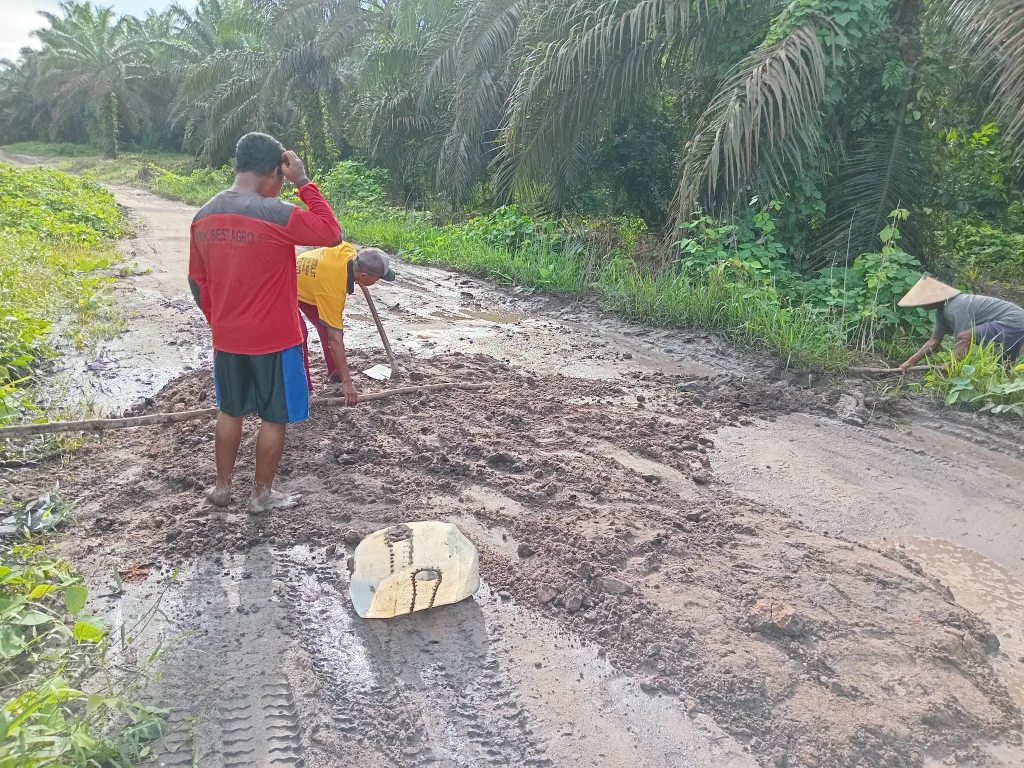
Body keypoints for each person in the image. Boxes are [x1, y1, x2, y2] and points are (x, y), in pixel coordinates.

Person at [188, 132, 341, 511]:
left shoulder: (203, 215)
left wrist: (218, 321)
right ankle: (261, 494)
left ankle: (222, 489)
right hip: (276, 339)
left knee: (230, 411)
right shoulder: (276, 213)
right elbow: (330, 233)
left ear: (238, 165)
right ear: (275, 173)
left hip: (227, 339)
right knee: (274, 418)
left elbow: (197, 280)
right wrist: (303, 182)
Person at [296, 243, 395, 404]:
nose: (377, 282)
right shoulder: (333, 291)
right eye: (377, 279)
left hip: (311, 284)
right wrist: (347, 382)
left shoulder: (349, 251)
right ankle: (304, 388)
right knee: (299, 334)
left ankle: (335, 372)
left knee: (325, 326)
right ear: (363, 275)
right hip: (286, 285)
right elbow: (335, 339)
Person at [897, 276, 1024, 372]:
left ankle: (954, 371)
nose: (920, 304)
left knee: (965, 336)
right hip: (1015, 322)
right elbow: (934, 341)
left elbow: (963, 340)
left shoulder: (955, 306)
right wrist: (910, 362)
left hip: (1012, 321)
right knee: (1005, 367)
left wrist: (951, 366)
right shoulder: (942, 312)